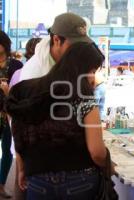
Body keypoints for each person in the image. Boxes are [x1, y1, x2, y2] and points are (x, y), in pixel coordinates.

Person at [6, 42, 108, 199]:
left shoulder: (25, 89)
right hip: (80, 179)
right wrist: (108, 164)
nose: (93, 78)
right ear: (80, 70)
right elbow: (97, 152)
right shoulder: (83, 96)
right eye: (92, 71)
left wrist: (22, 167)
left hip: (37, 177)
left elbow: (18, 131)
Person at [19, 12, 93, 82]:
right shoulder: (34, 72)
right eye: (74, 44)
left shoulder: (69, 63)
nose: (79, 48)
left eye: (82, 43)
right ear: (56, 40)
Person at [0, 30, 23, 198]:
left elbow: (22, 93)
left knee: (7, 149)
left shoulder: (16, 66)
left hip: (10, 114)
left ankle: (1, 184)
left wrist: (8, 92)